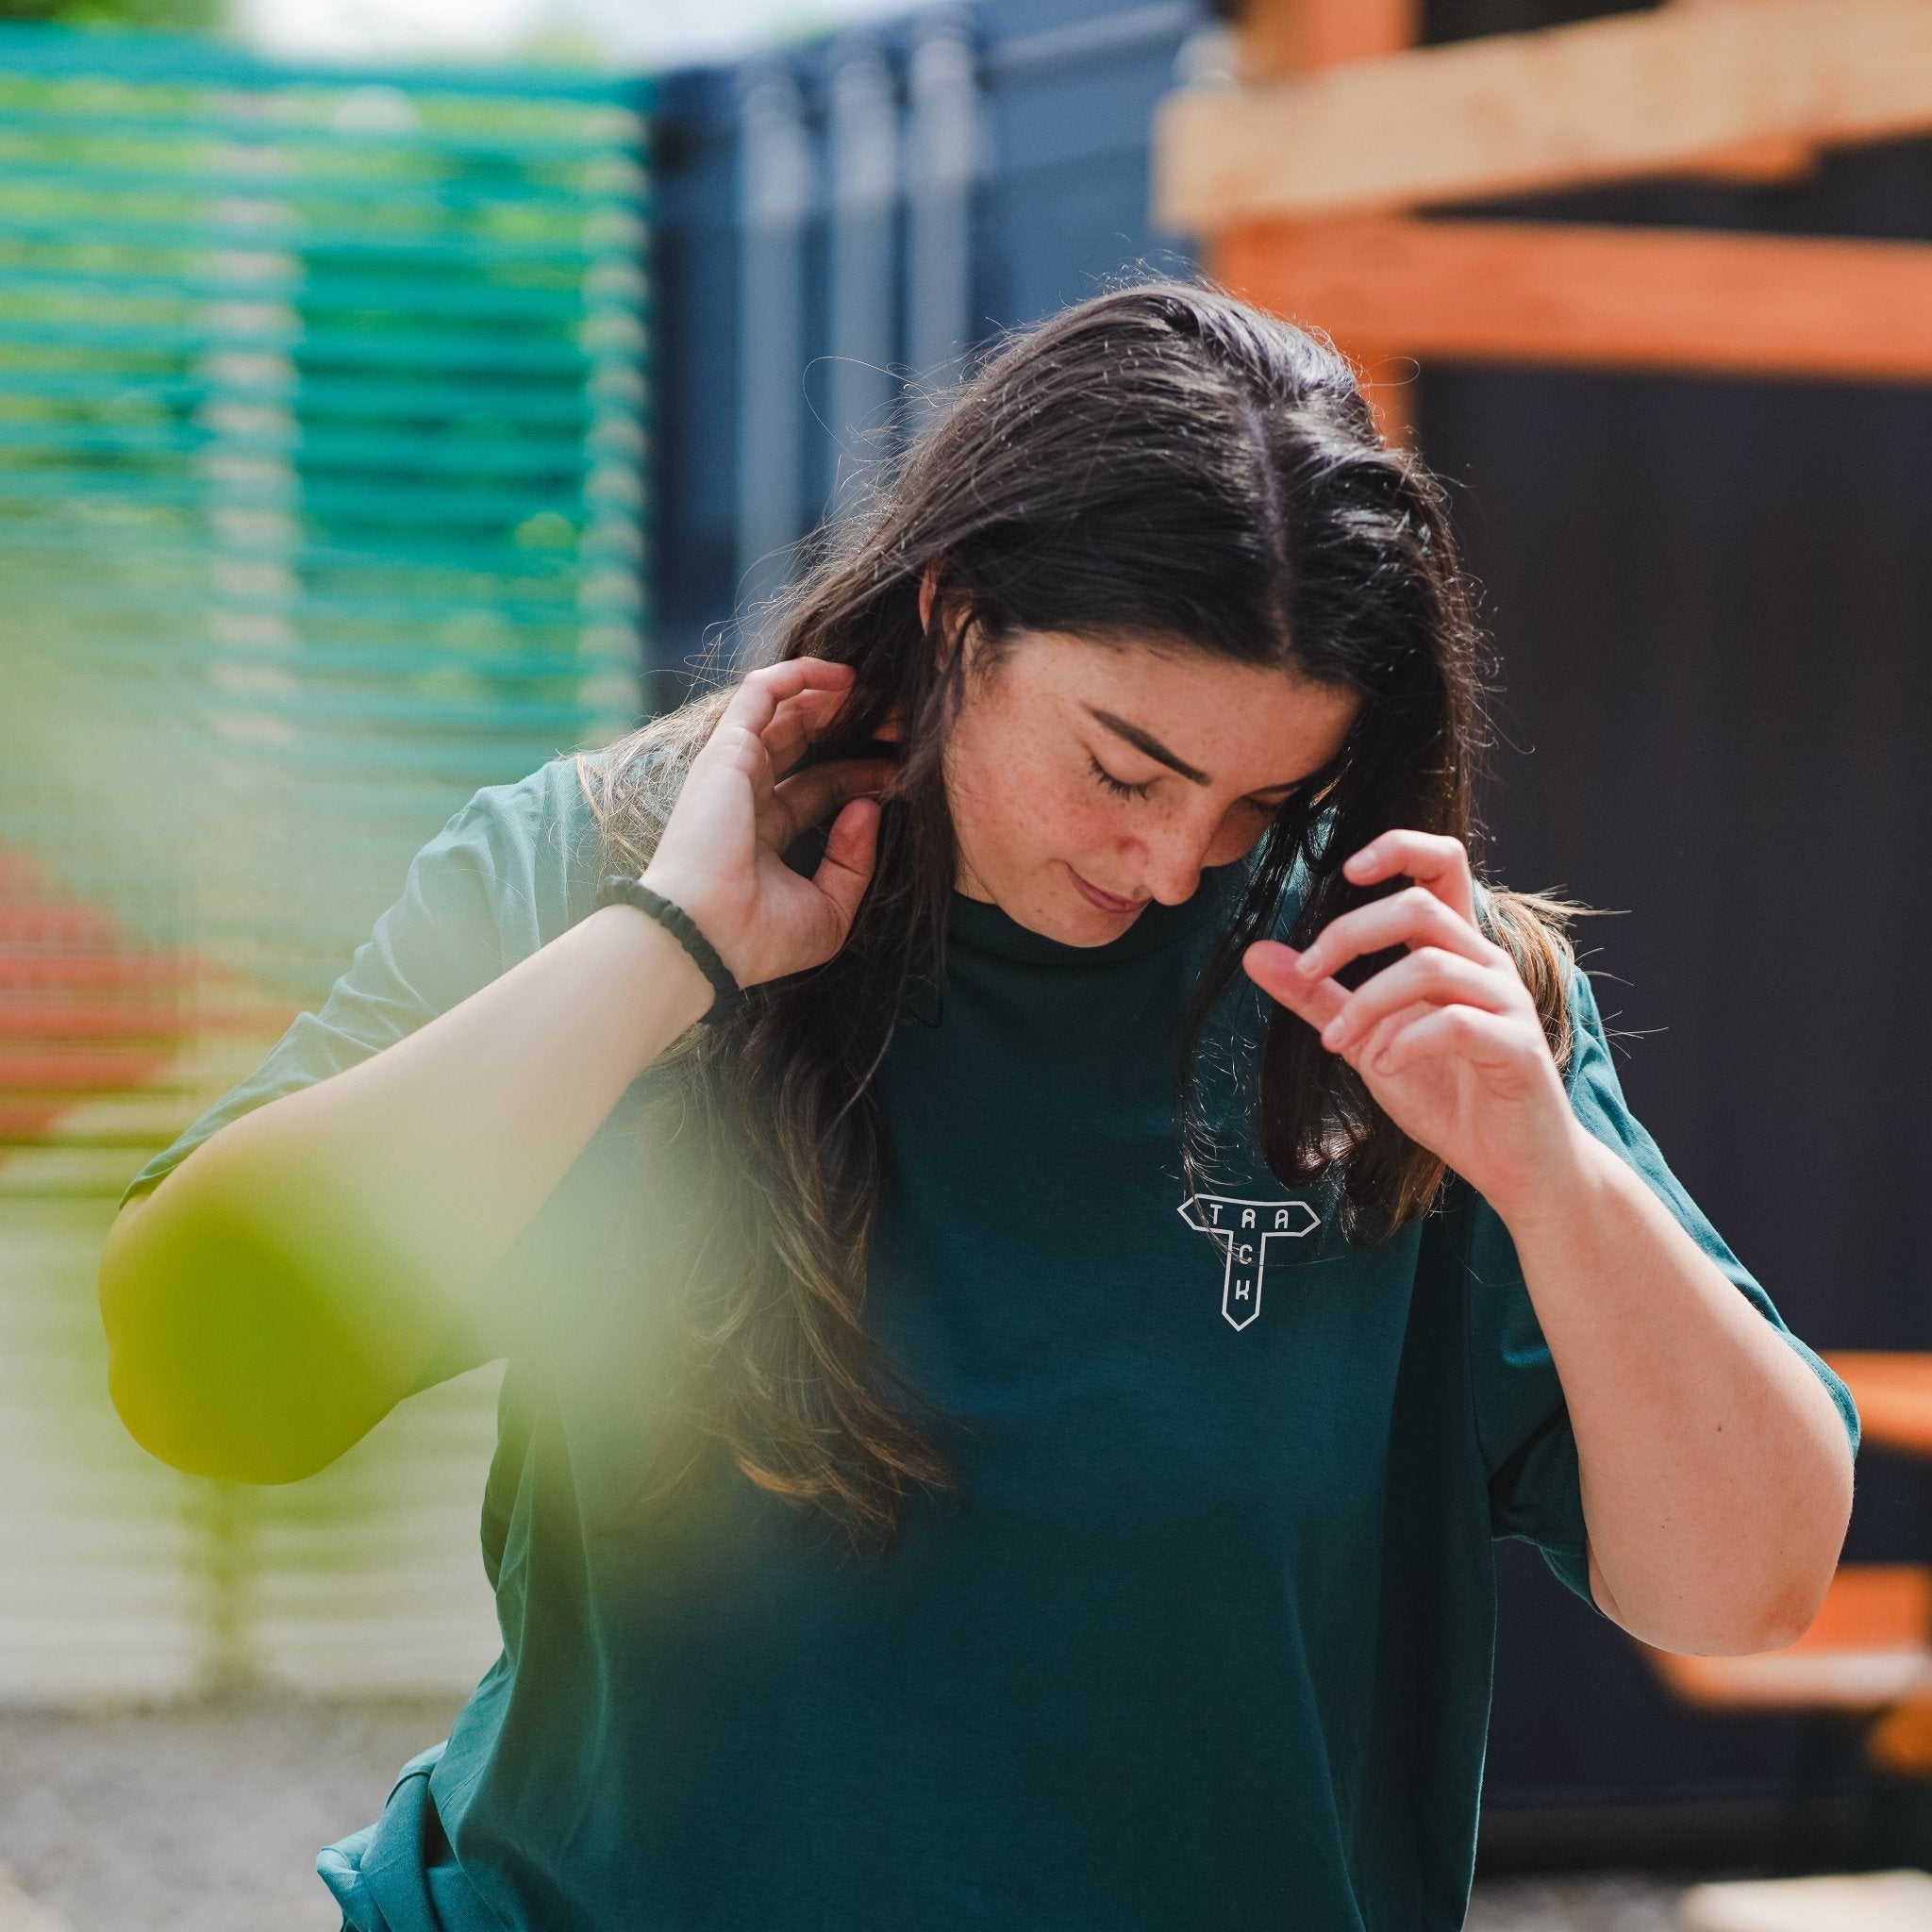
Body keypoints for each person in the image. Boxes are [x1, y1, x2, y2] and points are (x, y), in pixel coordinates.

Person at [97, 284, 1856, 1932]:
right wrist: (665, 957)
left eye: (1265, 799)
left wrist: (1550, 1175)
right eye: (1123, 765)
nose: (1175, 865)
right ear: (955, 611)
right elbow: (205, 1381)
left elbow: (1744, 1590)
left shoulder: (1425, 1004)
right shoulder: (601, 867)